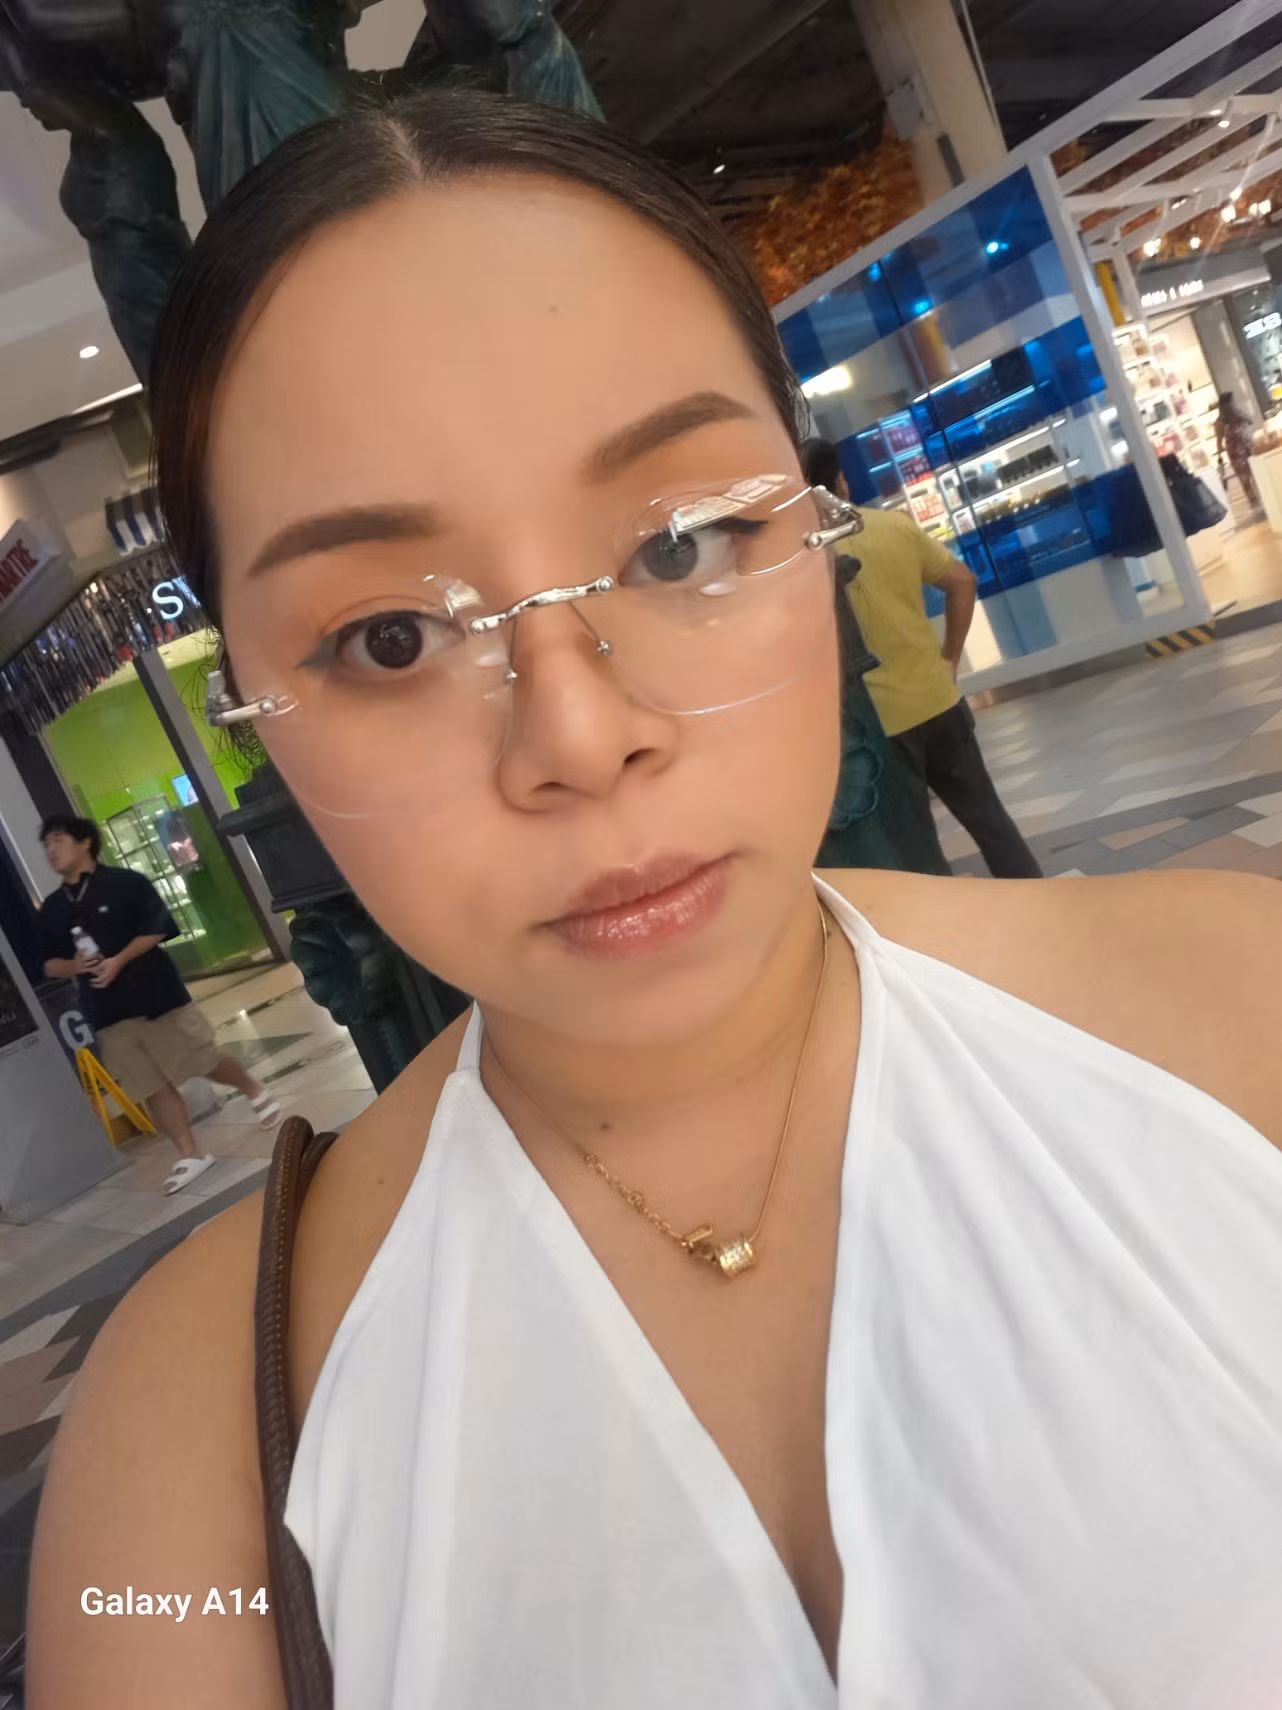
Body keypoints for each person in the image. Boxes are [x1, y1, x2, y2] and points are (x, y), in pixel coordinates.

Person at [28, 91, 1282, 1710]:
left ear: (813, 529)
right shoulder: (197, 1417)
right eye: (391, 639)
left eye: (684, 545)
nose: (578, 736)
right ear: (255, 719)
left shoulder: (1234, 1022)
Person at [802, 436, 1041, 879]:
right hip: (938, 701)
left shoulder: (809, 557)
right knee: (990, 821)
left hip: (882, 727)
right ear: (841, 482)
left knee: (918, 846)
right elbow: (962, 582)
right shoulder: (893, 527)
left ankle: (941, 920)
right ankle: (1040, 901)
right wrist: (950, 658)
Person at [36, 813, 282, 1193]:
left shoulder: (125, 883)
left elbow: (158, 928)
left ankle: (253, 1089)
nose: (51, 850)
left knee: (202, 1060)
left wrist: (119, 960)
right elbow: (47, 963)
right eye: (47, 844)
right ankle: (190, 1154)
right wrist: (74, 966)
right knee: (149, 1085)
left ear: (84, 843)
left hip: (156, 996)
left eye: (58, 840)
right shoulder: (53, 908)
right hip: (106, 1010)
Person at [1214, 389, 1260, 509]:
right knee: (1244, 476)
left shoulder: (1238, 414)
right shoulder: (1220, 422)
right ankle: (1254, 501)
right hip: (1236, 452)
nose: (1235, 402)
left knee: (1257, 471)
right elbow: (1219, 439)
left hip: (1249, 445)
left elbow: (1250, 420)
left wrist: (1241, 413)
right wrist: (1219, 454)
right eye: (1233, 401)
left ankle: (1263, 494)